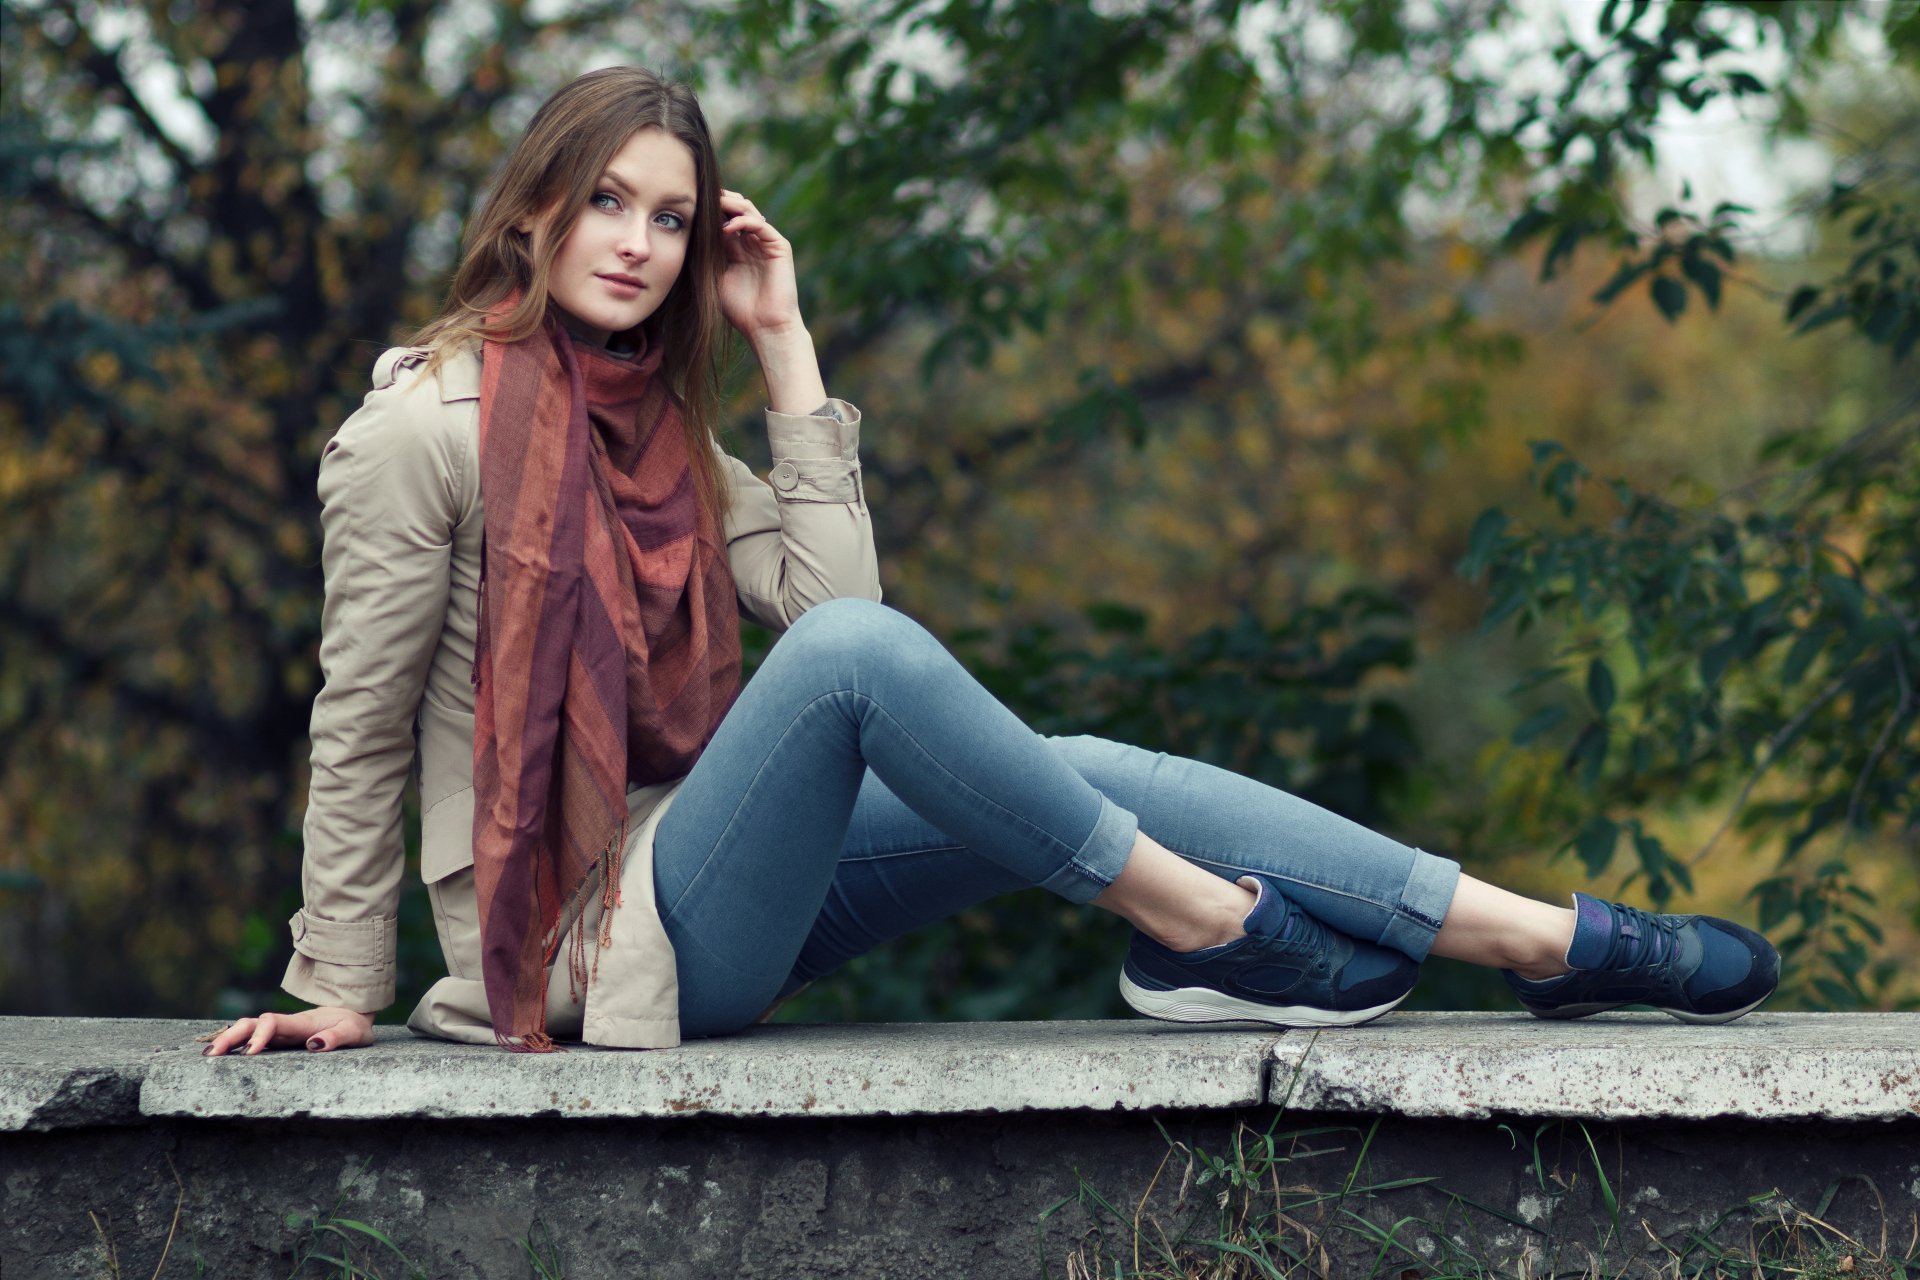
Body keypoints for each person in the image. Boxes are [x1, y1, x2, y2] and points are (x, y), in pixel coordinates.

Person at [205, 67, 1779, 1059]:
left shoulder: (659, 433)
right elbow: (360, 719)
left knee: (1074, 756)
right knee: (866, 679)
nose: (637, 241)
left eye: (673, 219)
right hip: (574, 952)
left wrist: (787, 346)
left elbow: (842, 619)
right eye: (606, 201)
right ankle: (1199, 926)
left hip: (702, 870)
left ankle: (1541, 944)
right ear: (536, 212)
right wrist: (336, 980)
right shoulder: (422, 430)